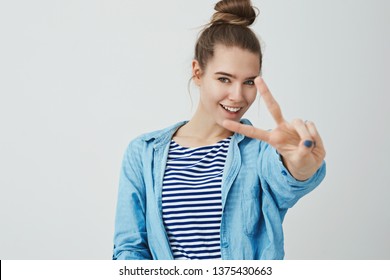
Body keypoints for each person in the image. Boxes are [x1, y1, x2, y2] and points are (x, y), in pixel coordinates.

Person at [112, 0, 326, 260]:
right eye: (224, 79)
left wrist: (300, 167)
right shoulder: (143, 153)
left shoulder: (262, 153)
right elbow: (129, 251)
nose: (237, 96)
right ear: (198, 72)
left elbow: (288, 180)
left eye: (249, 82)